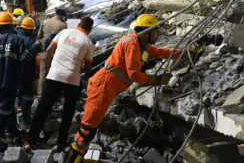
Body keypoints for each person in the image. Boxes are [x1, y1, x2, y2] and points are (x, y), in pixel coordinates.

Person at [68, 14, 182, 162]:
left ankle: (80, 157)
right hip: (103, 86)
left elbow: (161, 52)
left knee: (91, 127)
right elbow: (134, 74)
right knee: (87, 129)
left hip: (107, 86)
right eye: (156, 31)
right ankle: (73, 159)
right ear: (147, 32)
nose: (158, 34)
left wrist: (184, 53)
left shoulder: (142, 45)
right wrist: (157, 80)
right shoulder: (132, 44)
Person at [24, 17, 94, 152]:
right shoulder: (88, 42)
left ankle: (29, 142)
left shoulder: (64, 32)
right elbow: (87, 68)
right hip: (72, 80)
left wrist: (48, 69)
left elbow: (49, 50)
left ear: (79, 24)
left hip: (54, 75)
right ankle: (61, 143)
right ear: (89, 30)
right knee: (68, 112)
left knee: (43, 108)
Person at [0, 12, 31, 143]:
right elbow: (25, 59)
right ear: (12, 25)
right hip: (12, 78)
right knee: (5, 105)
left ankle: (12, 130)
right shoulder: (18, 40)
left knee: (9, 104)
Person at [17, 17, 54, 129]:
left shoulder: (17, 37)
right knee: (27, 96)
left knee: (20, 91)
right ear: (29, 29)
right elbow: (43, 47)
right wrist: (51, 37)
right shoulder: (30, 41)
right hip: (27, 70)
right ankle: (27, 121)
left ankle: (19, 108)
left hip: (16, 70)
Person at [37, 9, 67, 95]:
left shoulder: (45, 22)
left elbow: (39, 36)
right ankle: (52, 94)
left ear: (55, 14)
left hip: (44, 52)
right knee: (54, 74)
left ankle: (40, 94)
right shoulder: (63, 25)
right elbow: (63, 41)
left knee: (42, 73)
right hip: (55, 53)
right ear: (62, 16)